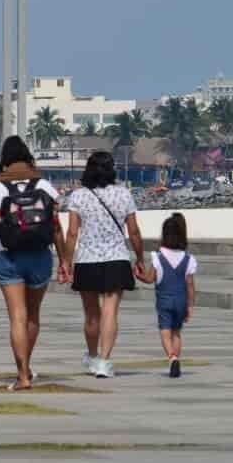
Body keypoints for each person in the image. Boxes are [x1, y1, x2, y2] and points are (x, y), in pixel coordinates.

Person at [0, 136, 69, 391]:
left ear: (4, 161)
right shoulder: (45, 186)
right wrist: (65, 260)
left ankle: (23, 375)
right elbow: (57, 228)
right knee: (33, 315)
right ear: (28, 158)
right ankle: (27, 366)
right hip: (40, 256)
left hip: (9, 257)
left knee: (17, 317)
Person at [64, 151, 144, 379]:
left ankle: (91, 355)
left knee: (91, 314)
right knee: (110, 311)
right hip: (116, 258)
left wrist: (66, 262)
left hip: (88, 259)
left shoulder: (79, 196)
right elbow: (134, 231)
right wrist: (139, 259)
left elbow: (72, 233)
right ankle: (105, 361)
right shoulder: (123, 194)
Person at [135, 213, 196, 378]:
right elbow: (190, 284)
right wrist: (190, 305)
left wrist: (139, 275)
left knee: (165, 331)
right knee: (176, 332)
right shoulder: (188, 259)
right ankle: (176, 358)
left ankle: (172, 357)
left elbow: (149, 278)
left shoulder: (158, 258)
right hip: (181, 300)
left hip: (164, 301)